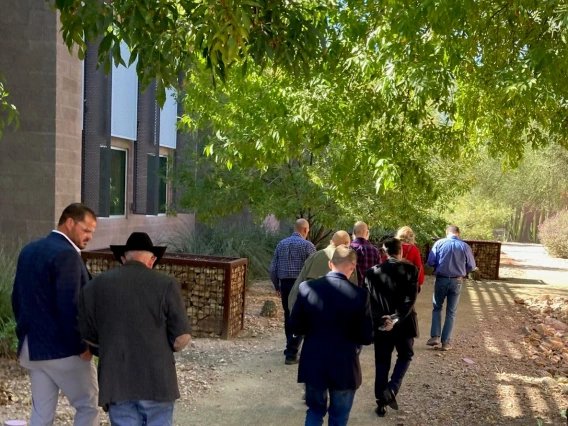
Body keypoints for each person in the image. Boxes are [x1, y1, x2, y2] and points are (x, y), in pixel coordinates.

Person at [78, 232, 191, 426]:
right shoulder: (166, 284)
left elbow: (88, 336)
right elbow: (182, 337)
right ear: (152, 260)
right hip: (157, 380)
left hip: (116, 381)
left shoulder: (95, 285)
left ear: (123, 258)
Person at [11, 203, 100, 426]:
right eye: (86, 230)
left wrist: (24, 334)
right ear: (70, 223)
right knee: (88, 405)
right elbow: (69, 308)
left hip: (32, 348)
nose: (89, 236)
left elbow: (17, 298)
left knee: (41, 413)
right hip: (63, 350)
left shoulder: (28, 250)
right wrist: (82, 347)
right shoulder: (67, 255)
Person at [290, 246, 373, 426]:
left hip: (313, 361)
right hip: (344, 365)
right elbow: (366, 336)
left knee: (314, 411)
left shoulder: (307, 288)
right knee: (339, 416)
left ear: (330, 264)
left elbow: (295, 325)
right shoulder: (360, 296)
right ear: (352, 267)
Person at [365, 237, 419, 417]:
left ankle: (381, 403)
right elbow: (410, 299)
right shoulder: (411, 270)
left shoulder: (371, 272)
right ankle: (392, 388)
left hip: (381, 325)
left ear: (384, 252)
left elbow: (370, 303)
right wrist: (395, 318)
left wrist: (383, 321)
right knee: (405, 355)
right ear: (400, 251)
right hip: (403, 323)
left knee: (382, 362)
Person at [270, 218, 316, 365]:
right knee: (302, 316)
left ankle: (290, 345)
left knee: (288, 315)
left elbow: (273, 268)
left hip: (285, 284)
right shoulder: (308, 246)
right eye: (308, 230)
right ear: (304, 230)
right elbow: (313, 268)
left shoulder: (281, 244)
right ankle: (292, 351)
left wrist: (277, 286)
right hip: (302, 285)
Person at [426, 225, 476, 351]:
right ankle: (446, 342)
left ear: (447, 232)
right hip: (456, 280)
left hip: (441, 279)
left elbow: (430, 262)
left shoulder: (439, 243)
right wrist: (461, 269)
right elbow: (471, 266)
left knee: (437, 307)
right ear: (458, 233)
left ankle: (435, 336)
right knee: (451, 312)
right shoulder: (465, 246)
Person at [287, 230, 357, 311]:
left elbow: (297, 287)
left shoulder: (314, 257)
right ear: (346, 243)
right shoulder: (348, 261)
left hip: (311, 310)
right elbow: (353, 290)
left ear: (332, 241)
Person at [350, 221, 381, 287]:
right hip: (369, 291)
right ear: (367, 233)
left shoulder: (348, 249)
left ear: (354, 233)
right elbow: (379, 273)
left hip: (351, 290)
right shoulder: (375, 251)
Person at [395, 226, 425, 291]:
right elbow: (418, 267)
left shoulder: (394, 246)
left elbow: (384, 261)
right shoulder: (414, 249)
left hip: (393, 280)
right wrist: (420, 283)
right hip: (408, 281)